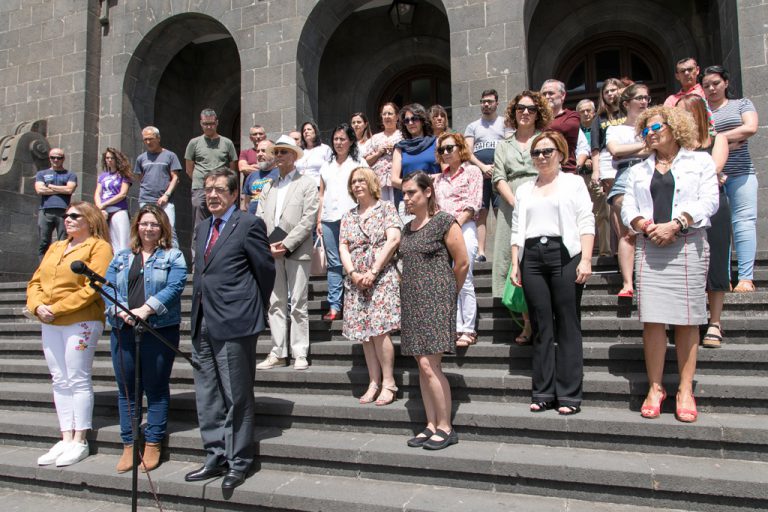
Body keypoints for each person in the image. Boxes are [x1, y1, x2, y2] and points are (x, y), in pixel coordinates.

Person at [622, 106, 719, 423]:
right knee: (652, 319)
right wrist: (644, 224)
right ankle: (655, 388)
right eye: (646, 130)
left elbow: (709, 201)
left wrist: (677, 222)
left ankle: (685, 390)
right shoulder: (639, 169)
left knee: (688, 319)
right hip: (651, 246)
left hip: (687, 244)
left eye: (656, 127)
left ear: (675, 127)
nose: (650, 133)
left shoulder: (699, 161)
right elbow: (628, 209)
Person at [185, 168, 274, 490]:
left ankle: (239, 462)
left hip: (235, 321)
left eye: (220, 190)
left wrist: (251, 307)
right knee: (207, 393)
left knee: (237, 395)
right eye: (208, 189)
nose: (212, 195)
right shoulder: (203, 226)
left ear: (235, 194)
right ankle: (215, 454)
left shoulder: (249, 224)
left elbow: (265, 270)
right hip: (203, 319)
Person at [510, 131, 594, 415]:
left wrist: (586, 260)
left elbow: (586, 221)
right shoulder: (524, 189)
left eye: (547, 151)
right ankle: (544, 391)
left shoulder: (573, 183)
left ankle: (569, 394)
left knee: (567, 323)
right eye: (536, 153)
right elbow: (516, 229)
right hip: (531, 257)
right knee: (541, 324)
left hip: (565, 254)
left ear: (560, 153)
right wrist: (514, 263)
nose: (542, 157)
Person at [26, 201, 112, 467]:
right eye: (66, 215)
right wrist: (37, 306)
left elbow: (94, 285)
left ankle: (79, 439)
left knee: (77, 377)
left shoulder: (99, 247)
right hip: (50, 319)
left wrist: (57, 308)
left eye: (75, 215)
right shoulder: (57, 246)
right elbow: (36, 281)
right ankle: (65, 436)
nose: (68, 219)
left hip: (80, 320)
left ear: (90, 219)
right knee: (59, 379)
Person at [104, 204, 187, 473]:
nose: (148, 228)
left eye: (154, 224)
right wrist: (120, 311)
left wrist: (145, 309)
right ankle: (129, 444)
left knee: (156, 388)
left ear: (162, 227)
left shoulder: (173, 256)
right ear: (136, 227)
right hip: (124, 329)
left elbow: (175, 286)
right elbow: (106, 288)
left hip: (158, 329)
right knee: (127, 390)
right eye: (144, 223)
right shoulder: (121, 257)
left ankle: (153, 443)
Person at [400, 172, 468, 450]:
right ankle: (430, 424)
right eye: (404, 193)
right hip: (413, 301)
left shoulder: (444, 221)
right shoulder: (406, 228)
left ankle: (446, 427)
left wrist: (447, 294)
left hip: (437, 300)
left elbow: (462, 263)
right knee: (421, 365)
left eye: (411, 193)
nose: (406, 198)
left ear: (428, 192)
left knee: (431, 365)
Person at [492, 91, 552, 344]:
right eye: (520, 108)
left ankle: (547, 320)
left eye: (531, 108)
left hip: (544, 200)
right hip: (511, 205)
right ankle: (527, 323)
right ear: (513, 113)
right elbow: (498, 177)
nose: (525, 112)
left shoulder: (546, 139)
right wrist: (517, 202)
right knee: (514, 262)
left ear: (539, 113)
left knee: (543, 259)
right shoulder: (503, 146)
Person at [339, 167, 401, 406]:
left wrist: (373, 270)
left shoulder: (386, 208)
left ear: (372, 183)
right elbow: (343, 246)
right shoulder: (348, 215)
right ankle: (373, 382)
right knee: (365, 334)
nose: (357, 185)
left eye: (362, 180)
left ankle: (389, 382)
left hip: (382, 276)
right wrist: (354, 273)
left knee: (380, 330)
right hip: (356, 280)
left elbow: (393, 239)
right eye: (354, 182)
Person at [256, 135, 319, 371]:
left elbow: (309, 217)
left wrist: (286, 243)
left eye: (284, 152)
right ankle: (278, 352)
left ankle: (300, 352)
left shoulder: (307, 183)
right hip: (271, 252)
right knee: (276, 303)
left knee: (299, 303)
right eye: (277, 152)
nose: (279, 156)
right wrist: (267, 245)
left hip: (297, 250)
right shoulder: (268, 186)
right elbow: (260, 218)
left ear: (294, 156)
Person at [675, 95, 730, 348]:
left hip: (712, 208)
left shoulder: (717, 139)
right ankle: (690, 320)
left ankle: (715, 322)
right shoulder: (677, 146)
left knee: (716, 262)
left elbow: (713, 168)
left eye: (682, 112)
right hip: (680, 209)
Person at [703, 65, 759, 293]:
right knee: (717, 228)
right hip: (711, 176)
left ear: (725, 83)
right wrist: (728, 141)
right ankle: (722, 278)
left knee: (744, 222)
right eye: (706, 85)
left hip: (741, 172)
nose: (711, 88)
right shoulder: (702, 111)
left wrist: (717, 139)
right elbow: (696, 140)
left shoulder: (741, 104)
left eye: (715, 83)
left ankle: (746, 277)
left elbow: (750, 127)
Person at [432, 132, 483, 348]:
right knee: (447, 279)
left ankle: (468, 329)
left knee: (465, 275)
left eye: (449, 148)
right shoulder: (438, 179)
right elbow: (435, 207)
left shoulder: (472, 171)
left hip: (464, 227)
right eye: (442, 149)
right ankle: (454, 326)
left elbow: (473, 203)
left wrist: (455, 225)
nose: (445, 152)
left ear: (460, 148)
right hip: (443, 230)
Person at [317, 123, 368, 321]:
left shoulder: (359, 162)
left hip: (352, 217)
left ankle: (357, 302)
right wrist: (319, 219)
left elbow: (368, 187)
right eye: (335, 139)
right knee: (334, 263)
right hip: (329, 218)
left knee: (354, 260)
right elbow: (321, 195)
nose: (338, 143)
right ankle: (334, 306)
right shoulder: (326, 165)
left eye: (342, 139)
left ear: (351, 141)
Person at [606, 84, 653, 297]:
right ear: (626, 103)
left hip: (651, 176)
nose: (644, 102)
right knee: (629, 230)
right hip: (624, 177)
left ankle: (648, 278)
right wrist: (645, 149)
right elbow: (615, 150)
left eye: (646, 98)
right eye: (639, 98)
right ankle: (627, 283)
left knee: (650, 226)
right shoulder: (615, 129)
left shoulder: (653, 127)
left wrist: (632, 151)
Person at [464, 89, 508, 262]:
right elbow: (467, 152)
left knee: (501, 212)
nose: (486, 104)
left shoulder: (505, 123)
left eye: (489, 101)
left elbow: (508, 146)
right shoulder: (473, 126)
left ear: (497, 103)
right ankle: (481, 252)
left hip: (500, 174)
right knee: (481, 213)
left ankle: (502, 251)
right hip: (479, 175)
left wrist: (496, 167)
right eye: (483, 101)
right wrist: (483, 167)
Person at [184, 109, 238, 234]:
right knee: (199, 224)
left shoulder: (227, 143)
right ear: (201, 123)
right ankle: (198, 252)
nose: (209, 127)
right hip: (200, 188)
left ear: (217, 123)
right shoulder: (194, 143)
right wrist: (201, 181)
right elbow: (189, 168)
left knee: (223, 218)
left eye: (212, 124)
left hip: (221, 188)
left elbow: (232, 167)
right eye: (205, 124)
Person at [590, 78, 625, 258]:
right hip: (607, 161)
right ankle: (622, 242)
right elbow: (595, 147)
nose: (611, 94)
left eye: (614, 90)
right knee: (614, 204)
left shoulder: (629, 112)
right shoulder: (600, 118)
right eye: (607, 92)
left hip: (630, 159)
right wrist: (596, 171)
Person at [134, 126, 182, 246]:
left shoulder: (170, 156)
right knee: (145, 231)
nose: (148, 142)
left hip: (166, 200)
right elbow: (140, 178)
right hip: (146, 199)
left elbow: (175, 178)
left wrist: (166, 195)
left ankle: (174, 258)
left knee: (169, 230)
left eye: (151, 138)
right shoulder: (141, 158)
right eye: (145, 139)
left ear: (158, 138)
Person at [391, 103, 440, 218]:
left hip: (433, 198)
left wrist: (428, 180)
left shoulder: (436, 142)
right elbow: (394, 180)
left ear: (422, 121)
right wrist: (415, 187)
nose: (411, 123)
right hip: (409, 202)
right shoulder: (400, 147)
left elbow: (446, 173)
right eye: (407, 121)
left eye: (414, 119)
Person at [35, 148, 78, 259]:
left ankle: (59, 266)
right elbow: (40, 190)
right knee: (43, 242)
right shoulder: (41, 173)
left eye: (58, 157)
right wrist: (62, 189)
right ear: (49, 158)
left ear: (63, 159)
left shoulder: (70, 174)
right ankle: (42, 268)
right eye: (52, 157)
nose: (55, 160)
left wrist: (50, 186)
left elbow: (69, 190)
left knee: (63, 241)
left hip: (63, 212)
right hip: (45, 211)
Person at [95, 148, 132, 252]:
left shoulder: (124, 175)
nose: (109, 160)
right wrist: (99, 206)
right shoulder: (102, 176)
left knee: (123, 242)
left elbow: (122, 194)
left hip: (118, 210)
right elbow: (97, 193)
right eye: (107, 158)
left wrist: (105, 204)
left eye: (112, 158)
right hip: (104, 211)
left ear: (117, 159)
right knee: (108, 243)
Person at [540, 79, 580, 174]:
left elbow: (560, 128)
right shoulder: (538, 119)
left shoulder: (572, 116)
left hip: (566, 171)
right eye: (544, 94)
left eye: (551, 93)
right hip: (542, 171)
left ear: (563, 95)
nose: (547, 97)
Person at [364, 102, 402, 203]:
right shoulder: (375, 138)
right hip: (379, 181)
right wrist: (378, 153)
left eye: (390, 113)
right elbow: (366, 162)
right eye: (384, 114)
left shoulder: (403, 136)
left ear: (397, 116)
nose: (387, 116)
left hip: (397, 180)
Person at [241, 139, 278, 214]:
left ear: (274, 154)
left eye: (264, 151)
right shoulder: (251, 176)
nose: (259, 154)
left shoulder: (281, 174)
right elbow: (245, 204)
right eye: (258, 151)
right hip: (252, 221)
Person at [295, 121, 333, 187]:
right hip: (299, 187)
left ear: (315, 131)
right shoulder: (300, 151)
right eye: (304, 130)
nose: (306, 132)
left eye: (309, 129)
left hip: (317, 187)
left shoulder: (325, 149)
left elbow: (331, 170)